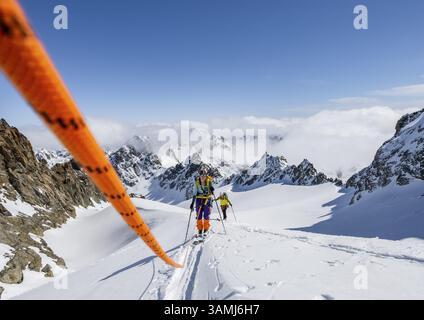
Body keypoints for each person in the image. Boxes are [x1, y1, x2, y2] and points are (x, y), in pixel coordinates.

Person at [190, 167, 215, 237]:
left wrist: (212, 189)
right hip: (199, 199)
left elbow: (211, 190)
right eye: (201, 175)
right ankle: (200, 229)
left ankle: (206, 229)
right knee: (199, 215)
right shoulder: (197, 182)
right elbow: (194, 193)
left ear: (206, 175)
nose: (203, 177)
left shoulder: (209, 181)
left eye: (204, 175)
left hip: (207, 199)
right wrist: (192, 203)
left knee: (206, 214)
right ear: (199, 175)